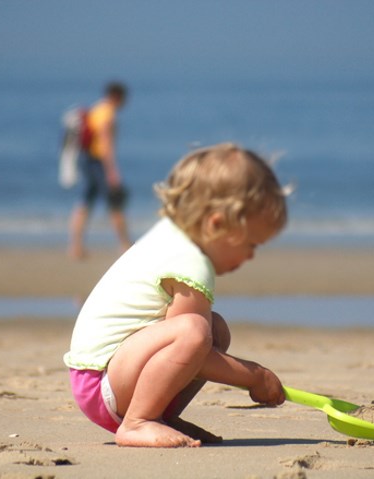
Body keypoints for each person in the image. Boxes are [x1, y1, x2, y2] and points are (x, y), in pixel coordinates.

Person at [63, 143, 289, 448]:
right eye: (251, 244)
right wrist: (255, 377)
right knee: (196, 331)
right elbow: (194, 346)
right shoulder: (190, 263)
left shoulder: (174, 238)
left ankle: (157, 415)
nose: (250, 257)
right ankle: (138, 421)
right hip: (101, 384)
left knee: (214, 328)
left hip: (108, 377)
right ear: (217, 224)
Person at [69, 82, 131, 260]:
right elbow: (106, 145)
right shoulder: (108, 114)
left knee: (85, 202)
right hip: (98, 162)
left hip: (86, 159)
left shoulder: (96, 109)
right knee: (115, 203)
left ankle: (75, 246)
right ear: (118, 97)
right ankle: (125, 244)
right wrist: (112, 171)